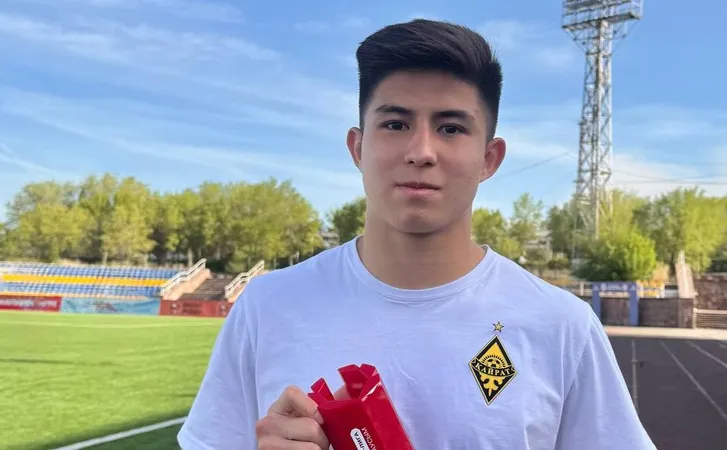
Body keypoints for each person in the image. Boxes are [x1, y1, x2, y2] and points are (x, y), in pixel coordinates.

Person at [177, 19, 656, 450]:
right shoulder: (267, 308)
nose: (421, 151)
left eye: (451, 128)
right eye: (395, 123)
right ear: (358, 147)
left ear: (489, 159)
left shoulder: (561, 325)